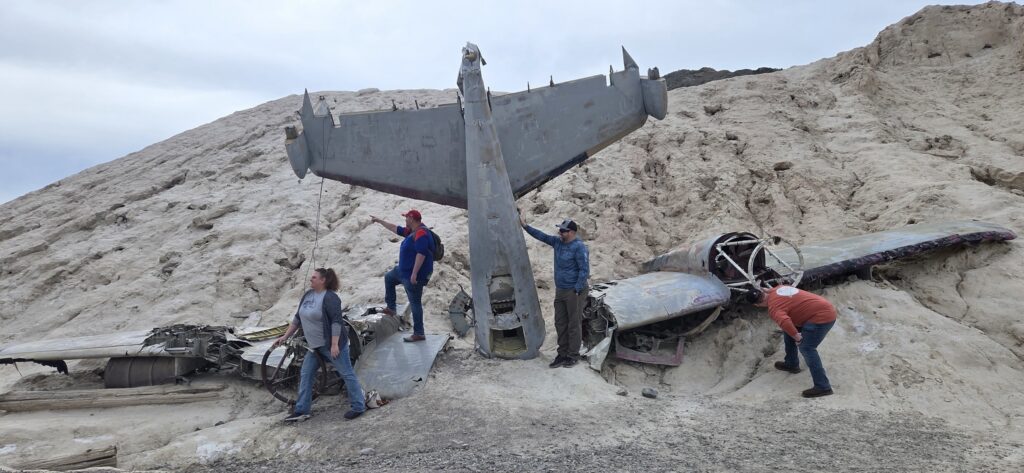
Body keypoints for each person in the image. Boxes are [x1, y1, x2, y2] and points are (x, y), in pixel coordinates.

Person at [274, 268, 366, 421]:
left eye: (314, 278)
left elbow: (337, 321)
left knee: (347, 374)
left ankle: (358, 406)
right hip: (314, 347)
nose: (311, 280)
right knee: (306, 374)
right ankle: (302, 409)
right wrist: (284, 337)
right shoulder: (308, 295)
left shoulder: (331, 298)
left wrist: (335, 344)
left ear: (323, 280)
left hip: (331, 345)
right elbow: (297, 319)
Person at [520, 216, 590, 368]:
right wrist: (525, 226)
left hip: (574, 291)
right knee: (560, 322)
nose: (560, 232)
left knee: (573, 324)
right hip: (561, 290)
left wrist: (577, 289)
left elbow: (584, 270)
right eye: (560, 229)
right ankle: (562, 353)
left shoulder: (579, 247)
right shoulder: (558, 242)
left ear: (572, 232)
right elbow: (542, 236)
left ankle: (572, 355)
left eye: (563, 231)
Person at [750, 285, 837, 398]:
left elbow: (785, 321)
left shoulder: (774, 309)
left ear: (756, 305)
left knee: (806, 348)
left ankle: (823, 387)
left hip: (821, 318)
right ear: (763, 292)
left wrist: (798, 337)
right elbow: (787, 324)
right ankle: (791, 363)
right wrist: (794, 333)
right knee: (789, 331)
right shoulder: (778, 289)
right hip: (824, 308)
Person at [370, 210, 435, 343]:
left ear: (412, 218)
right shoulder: (411, 231)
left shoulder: (421, 233)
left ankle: (419, 333)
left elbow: (421, 254)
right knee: (389, 277)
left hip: (412, 275)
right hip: (402, 271)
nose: (405, 220)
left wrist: (414, 274)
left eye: (406, 217)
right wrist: (380, 221)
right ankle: (391, 308)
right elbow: (395, 228)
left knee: (415, 303)